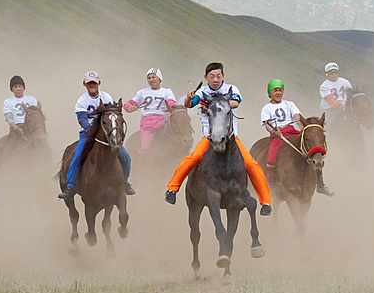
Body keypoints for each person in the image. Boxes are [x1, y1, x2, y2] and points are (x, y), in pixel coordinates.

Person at [164, 62, 272, 214]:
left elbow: (235, 103)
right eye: (212, 76)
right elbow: (189, 105)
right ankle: (172, 189)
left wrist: (216, 103)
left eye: (218, 76)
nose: (215, 79)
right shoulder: (202, 91)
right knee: (193, 158)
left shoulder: (231, 89)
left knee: (251, 163)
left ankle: (266, 202)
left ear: (223, 76)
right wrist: (189, 98)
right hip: (208, 137)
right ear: (206, 77)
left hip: (231, 138)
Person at [59, 71, 135, 200]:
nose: (92, 85)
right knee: (77, 156)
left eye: (94, 82)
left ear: (99, 83)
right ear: (84, 84)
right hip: (87, 134)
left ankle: (125, 182)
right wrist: (91, 131)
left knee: (125, 156)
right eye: (89, 83)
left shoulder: (106, 97)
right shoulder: (82, 101)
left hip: (106, 133)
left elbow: (112, 115)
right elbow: (82, 119)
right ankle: (70, 187)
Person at [262, 78, 333, 196]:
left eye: (280, 90)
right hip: (278, 135)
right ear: (270, 93)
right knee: (271, 158)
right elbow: (267, 124)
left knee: (312, 151)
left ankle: (320, 183)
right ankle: (269, 184)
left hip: (293, 132)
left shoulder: (289, 104)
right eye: (275, 90)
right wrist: (275, 132)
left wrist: (302, 129)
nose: (278, 93)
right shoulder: (266, 108)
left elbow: (297, 117)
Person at [123, 68, 177, 153]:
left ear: (159, 79)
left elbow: (171, 104)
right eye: (149, 78)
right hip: (147, 123)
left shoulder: (167, 92)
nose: (151, 79)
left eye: (153, 77)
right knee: (146, 148)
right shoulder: (142, 92)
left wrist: (168, 112)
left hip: (163, 121)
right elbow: (127, 105)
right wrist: (130, 107)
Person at [319, 62, 353, 134]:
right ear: (327, 74)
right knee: (331, 126)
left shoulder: (345, 82)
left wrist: (349, 107)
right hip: (331, 109)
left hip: (346, 107)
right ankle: (329, 138)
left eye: (336, 72)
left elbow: (351, 95)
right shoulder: (324, 86)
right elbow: (330, 100)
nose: (334, 75)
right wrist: (342, 107)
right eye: (331, 73)